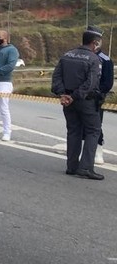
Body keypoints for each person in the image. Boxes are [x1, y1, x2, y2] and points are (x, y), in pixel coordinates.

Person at [52, 26, 104, 180]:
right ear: (94, 42)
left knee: (73, 131)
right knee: (93, 131)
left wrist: (63, 94)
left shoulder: (67, 55)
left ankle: (71, 166)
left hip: (67, 100)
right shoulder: (94, 59)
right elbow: (91, 83)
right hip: (85, 101)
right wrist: (75, 96)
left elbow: (56, 77)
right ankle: (86, 168)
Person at [97, 43, 113, 161]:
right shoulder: (81, 55)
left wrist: (97, 94)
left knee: (96, 125)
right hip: (80, 96)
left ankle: (98, 150)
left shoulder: (105, 60)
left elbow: (107, 83)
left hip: (96, 98)